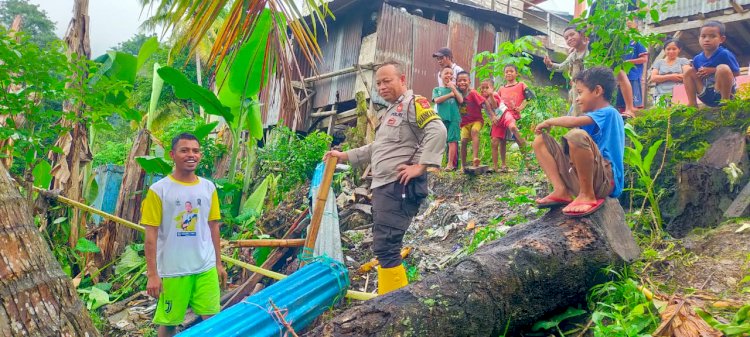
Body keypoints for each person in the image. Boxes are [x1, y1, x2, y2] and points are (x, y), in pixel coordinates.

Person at [324, 61, 446, 295]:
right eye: (378, 83)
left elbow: (437, 130)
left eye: (387, 81)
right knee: (384, 245)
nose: (381, 86)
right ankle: (392, 298)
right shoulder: (390, 111)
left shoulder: (414, 103)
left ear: (402, 79)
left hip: (399, 185)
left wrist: (420, 167)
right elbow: (376, 148)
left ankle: (393, 303)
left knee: (386, 246)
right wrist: (344, 156)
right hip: (385, 186)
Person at [142, 133, 227, 337]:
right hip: (173, 270)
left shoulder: (208, 188)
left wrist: (218, 263)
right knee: (169, 323)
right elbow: (150, 235)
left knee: (213, 320)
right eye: (185, 150)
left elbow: (213, 227)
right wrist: (153, 274)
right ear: (172, 154)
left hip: (204, 267)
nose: (191, 155)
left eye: (195, 151)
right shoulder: (159, 190)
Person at [532, 67, 624, 217]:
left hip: (606, 182)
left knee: (575, 136)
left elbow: (573, 122)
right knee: (540, 141)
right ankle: (561, 190)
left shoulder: (610, 113)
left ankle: (587, 195)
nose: (577, 98)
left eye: (580, 92)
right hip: (582, 178)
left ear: (597, 91)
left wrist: (550, 121)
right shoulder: (592, 116)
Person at [587, 0, 641, 118]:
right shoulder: (597, 4)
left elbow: (635, 16)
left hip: (616, 41)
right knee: (597, 77)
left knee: (619, 73)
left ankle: (629, 107)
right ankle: (600, 108)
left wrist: (633, 29)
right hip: (598, 43)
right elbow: (590, 26)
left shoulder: (624, 2)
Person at [683, 21, 741, 107]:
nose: (707, 39)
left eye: (712, 36)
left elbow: (736, 73)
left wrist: (712, 70)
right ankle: (692, 103)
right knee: (689, 71)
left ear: (722, 39)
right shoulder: (697, 59)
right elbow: (695, 76)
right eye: (703, 36)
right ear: (699, 38)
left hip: (723, 92)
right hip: (706, 93)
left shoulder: (724, 54)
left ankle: (725, 101)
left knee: (722, 68)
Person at [545, 26, 589, 116]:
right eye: (566, 38)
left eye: (572, 34)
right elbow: (562, 66)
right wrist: (550, 65)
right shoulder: (573, 55)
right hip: (577, 92)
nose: (569, 39)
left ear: (581, 34)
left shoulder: (590, 49)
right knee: (574, 117)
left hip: (590, 90)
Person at [494, 65, 529, 172]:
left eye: (511, 71)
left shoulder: (521, 85)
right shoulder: (501, 88)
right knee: (502, 140)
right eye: (506, 72)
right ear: (504, 75)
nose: (509, 73)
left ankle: (528, 163)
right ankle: (504, 165)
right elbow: (497, 103)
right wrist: (495, 116)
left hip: (515, 116)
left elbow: (529, 98)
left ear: (516, 73)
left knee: (519, 139)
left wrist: (520, 108)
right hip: (503, 116)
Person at [456, 71, 492, 168]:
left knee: (475, 131)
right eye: (459, 81)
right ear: (456, 83)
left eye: (465, 80)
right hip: (464, 124)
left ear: (469, 82)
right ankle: (463, 166)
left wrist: (492, 116)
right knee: (463, 141)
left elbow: (485, 102)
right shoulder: (457, 94)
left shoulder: (473, 93)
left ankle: (475, 158)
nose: (462, 82)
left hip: (476, 120)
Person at [615, 20, 648, 115]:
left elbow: (644, 59)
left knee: (634, 103)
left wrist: (629, 62)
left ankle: (635, 121)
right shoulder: (621, 43)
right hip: (621, 76)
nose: (628, 23)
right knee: (621, 103)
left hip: (633, 75)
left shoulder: (637, 41)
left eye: (630, 21)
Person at [432, 66, 462, 171]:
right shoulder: (437, 90)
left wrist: (453, 89)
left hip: (454, 118)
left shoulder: (456, 89)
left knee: (452, 141)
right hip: (441, 119)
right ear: (440, 75)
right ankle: (437, 165)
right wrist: (450, 94)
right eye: (446, 73)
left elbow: (461, 100)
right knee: (440, 141)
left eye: (451, 73)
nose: (448, 75)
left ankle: (450, 164)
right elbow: (436, 100)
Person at [649, 38, 690, 104]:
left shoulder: (683, 61)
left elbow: (688, 76)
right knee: (662, 113)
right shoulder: (659, 62)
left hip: (680, 94)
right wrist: (672, 76)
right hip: (661, 94)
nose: (671, 51)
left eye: (674, 49)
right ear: (664, 50)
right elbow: (653, 78)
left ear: (679, 49)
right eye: (668, 49)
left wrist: (661, 77)